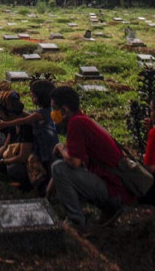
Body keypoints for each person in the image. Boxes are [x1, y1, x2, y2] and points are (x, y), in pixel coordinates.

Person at [48, 86, 131, 229]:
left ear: (65, 110)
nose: (53, 113)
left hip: (114, 190)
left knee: (59, 169)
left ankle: (76, 222)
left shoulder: (76, 123)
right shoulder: (81, 119)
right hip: (114, 186)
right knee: (64, 168)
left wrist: (61, 148)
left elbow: (74, 162)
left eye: (54, 109)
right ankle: (83, 213)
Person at [0, 78, 59, 191]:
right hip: (43, 142)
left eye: (33, 96)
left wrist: (6, 123)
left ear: (41, 98)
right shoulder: (44, 111)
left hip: (47, 144)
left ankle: (45, 187)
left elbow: (24, 120)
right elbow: (26, 115)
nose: (31, 98)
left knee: (48, 165)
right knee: (45, 164)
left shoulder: (42, 113)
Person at [0, 90, 34, 187]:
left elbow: (22, 157)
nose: (0, 115)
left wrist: (1, 162)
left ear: (10, 114)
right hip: (16, 155)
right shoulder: (12, 123)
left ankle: (24, 184)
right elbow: (6, 145)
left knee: (13, 169)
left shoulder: (27, 127)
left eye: (1, 113)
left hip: (29, 162)